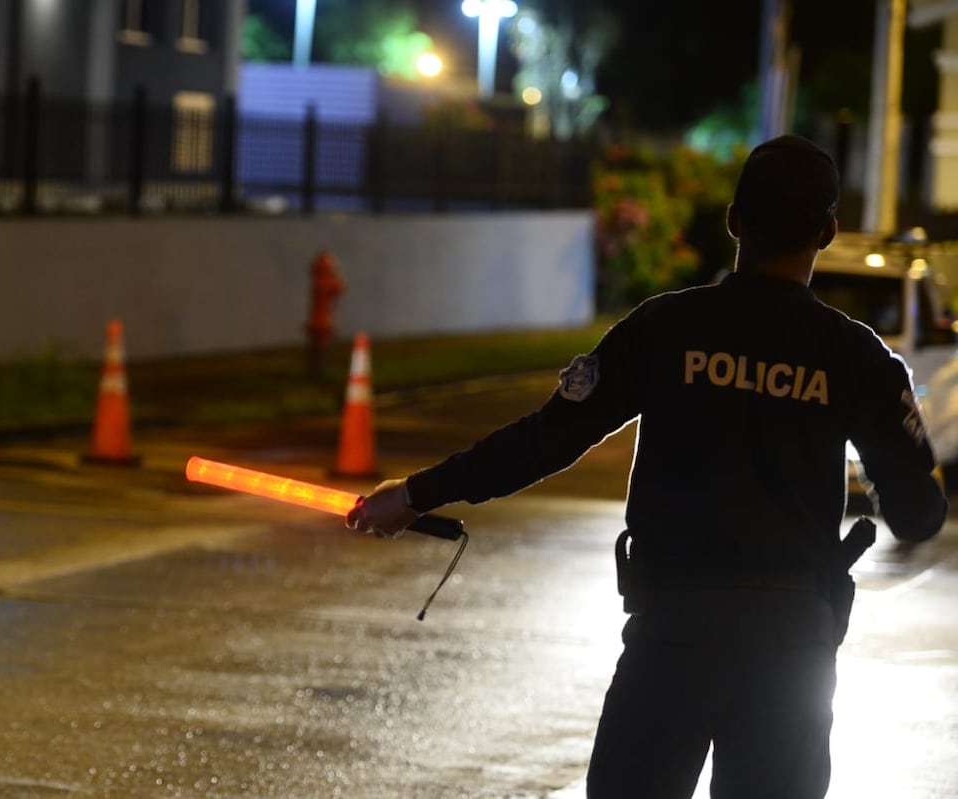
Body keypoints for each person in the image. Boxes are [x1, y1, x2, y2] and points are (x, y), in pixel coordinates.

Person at [345, 135, 947, 799]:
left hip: (673, 636)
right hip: (791, 650)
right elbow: (918, 513)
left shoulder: (665, 329)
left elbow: (545, 440)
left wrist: (415, 494)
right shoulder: (857, 359)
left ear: (733, 220)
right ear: (829, 231)